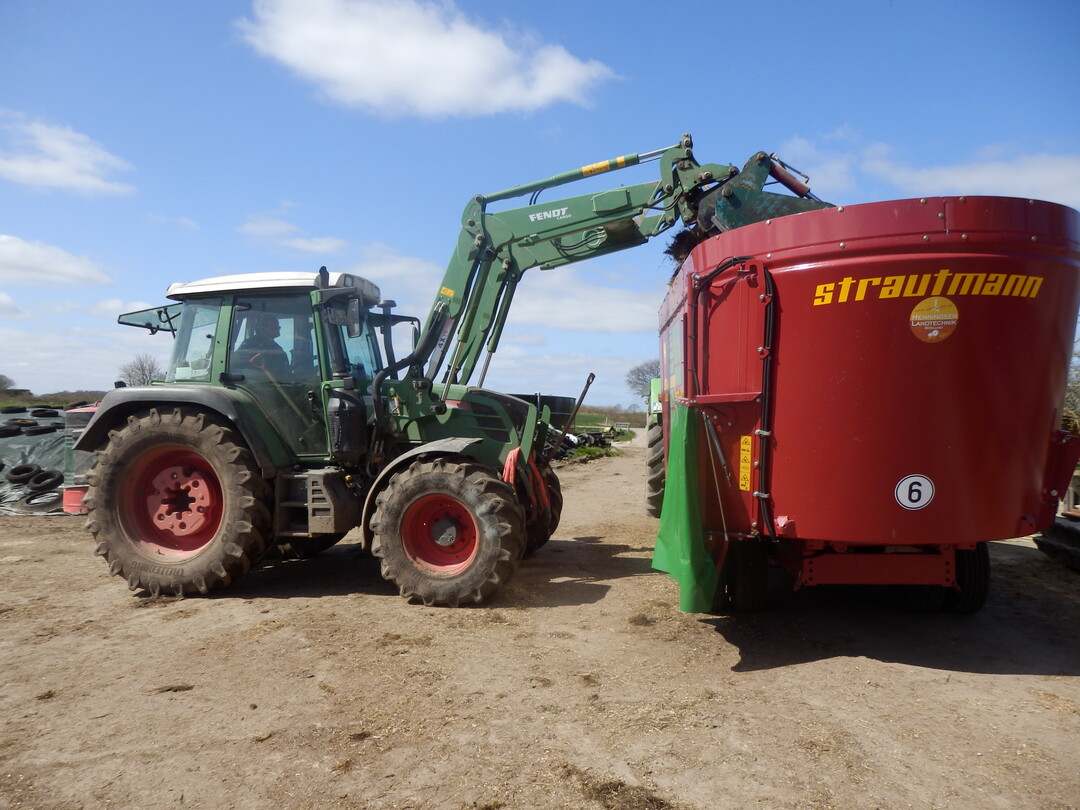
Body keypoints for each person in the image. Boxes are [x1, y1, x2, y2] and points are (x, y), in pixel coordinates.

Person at [234, 312, 290, 377]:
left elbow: (284, 371)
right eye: (275, 324)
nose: (279, 327)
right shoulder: (249, 345)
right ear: (262, 328)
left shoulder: (277, 348)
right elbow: (237, 365)